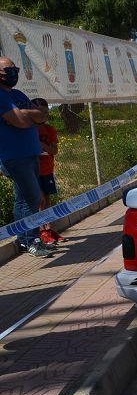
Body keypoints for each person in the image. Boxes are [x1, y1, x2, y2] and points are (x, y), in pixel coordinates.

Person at [0, 56, 54, 257]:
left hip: (31, 155)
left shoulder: (18, 94)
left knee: (25, 198)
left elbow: (42, 116)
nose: (13, 72)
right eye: (8, 69)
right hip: (14, 157)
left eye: (15, 68)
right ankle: (28, 241)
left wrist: (27, 113)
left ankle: (31, 239)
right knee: (32, 197)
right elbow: (21, 121)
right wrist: (29, 114)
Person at [33, 98, 65, 245]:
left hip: (47, 170)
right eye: (40, 112)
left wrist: (43, 146)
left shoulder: (50, 129)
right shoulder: (29, 130)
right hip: (34, 171)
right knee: (40, 201)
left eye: (46, 112)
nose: (44, 115)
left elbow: (54, 150)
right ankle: (42, 231)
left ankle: (50, 229)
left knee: (47, 200)